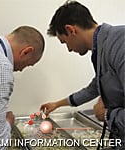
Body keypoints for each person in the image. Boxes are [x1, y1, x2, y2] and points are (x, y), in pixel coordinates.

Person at [40, 0, 124, 149]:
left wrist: (107, 115)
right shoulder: (101, 48)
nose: (69, 50)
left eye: (64, 42)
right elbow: (94, 87)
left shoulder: (119, 43)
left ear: (71, 30)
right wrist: (57, 104)